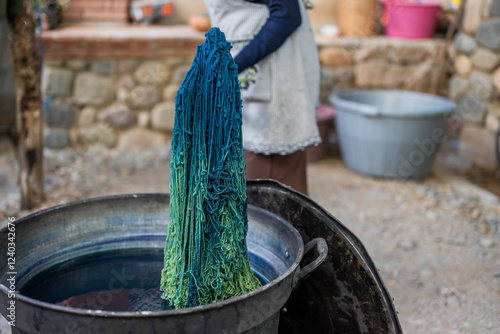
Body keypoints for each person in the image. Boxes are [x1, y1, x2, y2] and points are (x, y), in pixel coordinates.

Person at [203, 0, 321, 195]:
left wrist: (230, 68)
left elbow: (286, 13)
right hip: (254, 82)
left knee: (265, 204)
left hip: (272, 85)